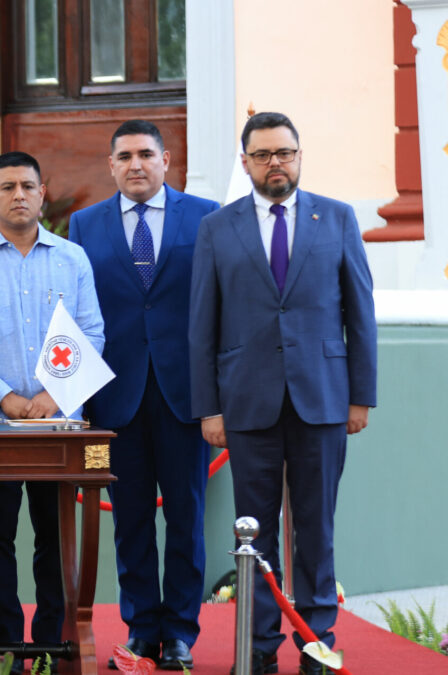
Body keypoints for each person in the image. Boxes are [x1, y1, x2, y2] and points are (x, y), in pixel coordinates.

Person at [189, 112, 376, 675]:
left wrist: (360, 396)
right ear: (245, 161)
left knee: (316, 528)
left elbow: (359, 313)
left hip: (322, 399)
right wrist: (209, 407)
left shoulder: (337, 218)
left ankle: (317, 640)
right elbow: (203, 324)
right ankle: (260, 645)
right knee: (255, 530)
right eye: (264, 154)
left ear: (299, 156)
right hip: (246, 405)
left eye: (285, 153)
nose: (276, 163)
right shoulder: (218, 229)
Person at [0, 152, 105, 671]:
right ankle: (7, 645)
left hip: (58, 425)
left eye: (27, 185)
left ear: (42, 192)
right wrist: (6, 397)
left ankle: (52, 644)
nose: (18, 195)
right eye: (6, 186)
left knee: (55, 538)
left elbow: (92, 333)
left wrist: (51, 399)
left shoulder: (72, 260)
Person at [68, 120, 218, 671]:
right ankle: (140, 629)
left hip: (186, 397)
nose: (136, 164)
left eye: (146, 154)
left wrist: (217, 398)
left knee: (186, 518)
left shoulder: (205, 217)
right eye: (125, 156)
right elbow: (74, 315)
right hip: (113, 400)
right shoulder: (83, 225)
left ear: (167, 159)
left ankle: (179, 633)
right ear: (111, 165)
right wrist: (74, 401)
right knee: (128, 520)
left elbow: (218, 307)